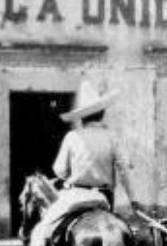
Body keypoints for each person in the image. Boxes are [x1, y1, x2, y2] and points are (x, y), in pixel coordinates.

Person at [52, 78, 138, 211]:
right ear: (102, 114)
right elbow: (124, 171)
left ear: (81, 118)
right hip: (104, 198)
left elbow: (60, 170)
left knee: (50, 221)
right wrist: (133, 199)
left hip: (75, 197)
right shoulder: (112, 137)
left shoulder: (72, 136)